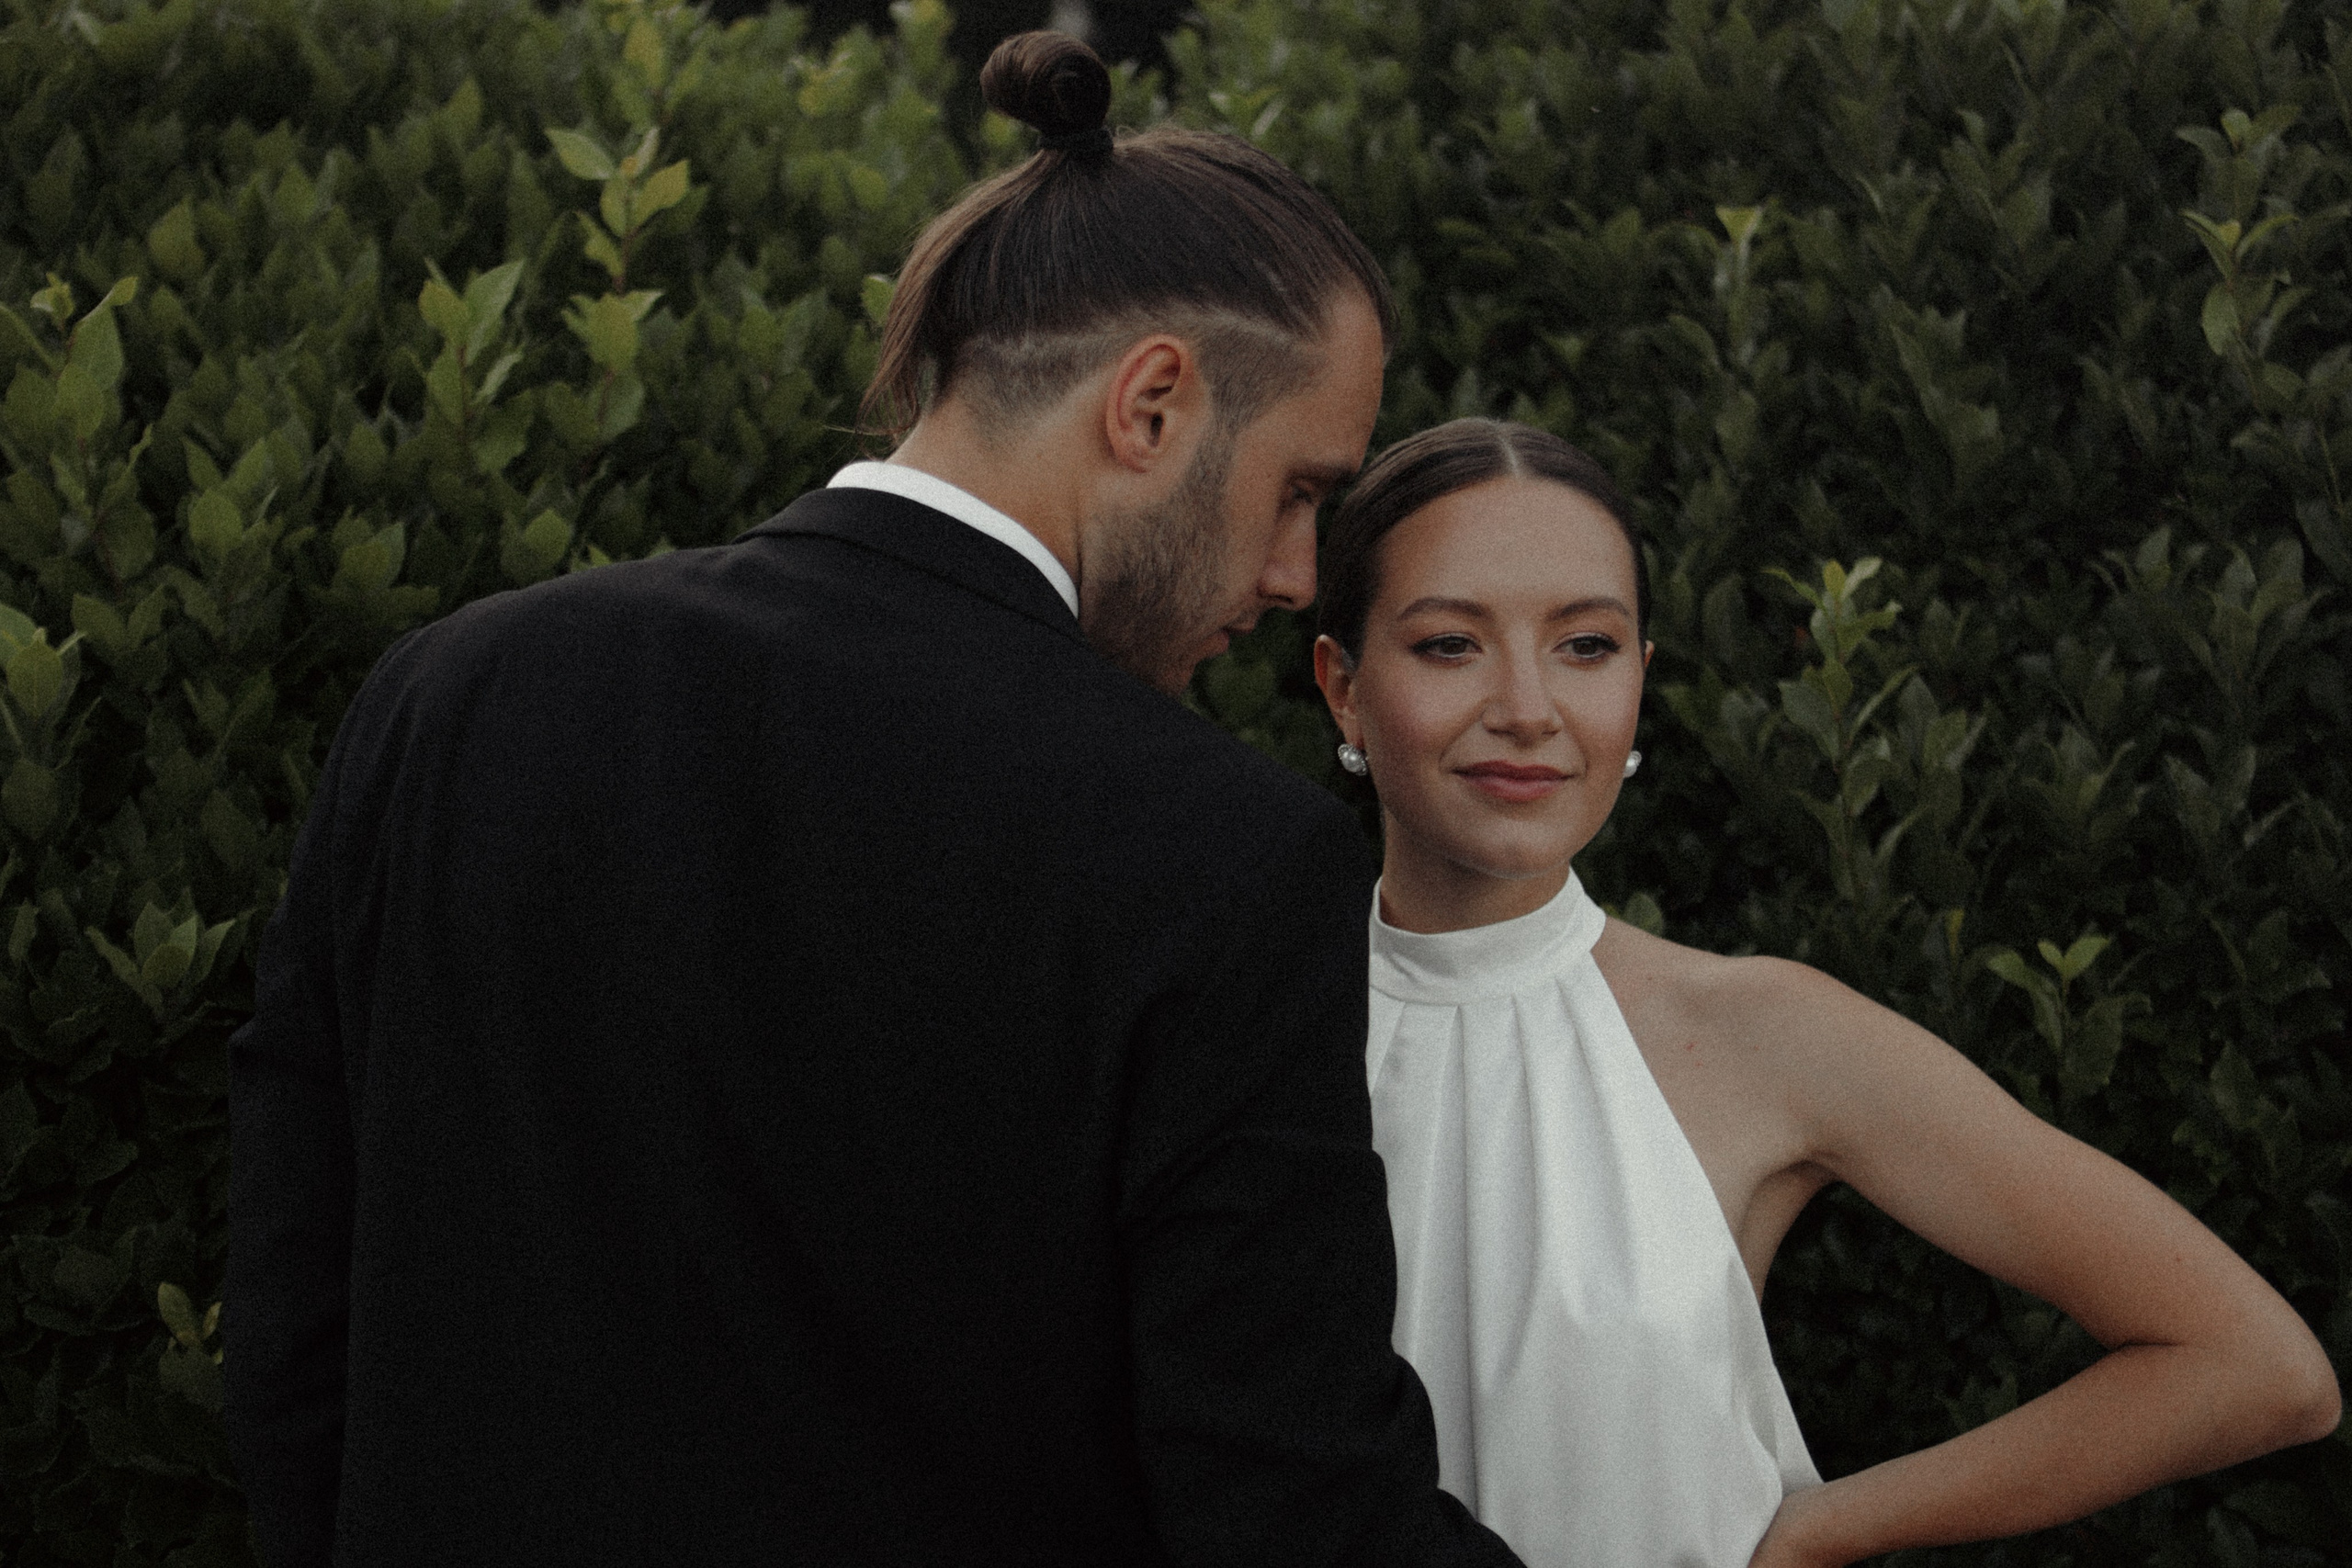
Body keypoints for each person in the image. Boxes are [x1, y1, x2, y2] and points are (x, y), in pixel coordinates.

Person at [226, 34, 1521, 1568]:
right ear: (1154, 404)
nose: (1300, 573)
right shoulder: (1222, 856)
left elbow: (300, 1337)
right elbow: (1290, 1508)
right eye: (1304, 486)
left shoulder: (452, 693)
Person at [1309, 417, 2342, 1568]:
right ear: (1343, 687)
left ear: (1642, 682)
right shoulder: (1242, 1023)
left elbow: (2255, 1364)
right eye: (1451, 644)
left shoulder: (1759, 1033)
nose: (1528, 707)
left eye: (1586, 646)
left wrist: (1814, 1535)